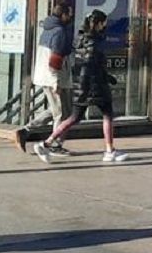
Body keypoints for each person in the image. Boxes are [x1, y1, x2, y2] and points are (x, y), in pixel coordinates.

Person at [34, 9, 127, 164]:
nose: (105, 26)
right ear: (98, 24)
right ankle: (110, 151)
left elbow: (81, 63)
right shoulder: (94, 42)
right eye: (103, 23)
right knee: (107, 114)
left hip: (81, 85)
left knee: (74, 117)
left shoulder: (80, 38)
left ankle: (46, 143)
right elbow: (91, 64)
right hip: (95, 85)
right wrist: (105, 77)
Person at [14, 3, 74, 153]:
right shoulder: (59, 31)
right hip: (53, 77)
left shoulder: (49, 28)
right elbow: (54, 59)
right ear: (63, 15)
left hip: (48, 75)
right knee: (60, 113)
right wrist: (56, 82)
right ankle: (55, 145)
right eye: (69, 14)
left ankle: (25, 130)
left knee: (60, 110)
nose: (71, 17)